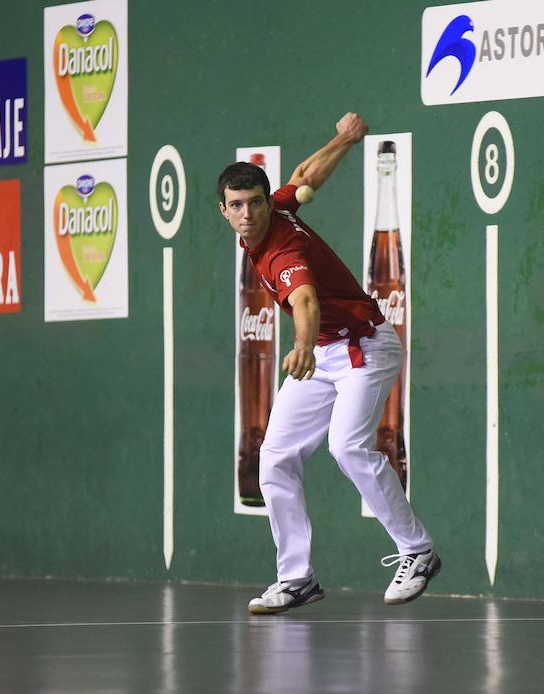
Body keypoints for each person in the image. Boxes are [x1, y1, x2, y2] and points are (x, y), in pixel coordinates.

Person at [218, 112, 440, 615]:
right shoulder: (274, 210)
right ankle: (296, 578)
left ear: (261, 203)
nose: (249, 214)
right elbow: (305, 178)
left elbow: (306, 300)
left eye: (255, 203)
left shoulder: (282, 247)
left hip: (365, 346)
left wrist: (299, 346)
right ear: (224, 210)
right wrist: (344, 139)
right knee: (273, 457)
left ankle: (418, 551)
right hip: (324, 354)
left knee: (346, 445)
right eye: (238, 206)